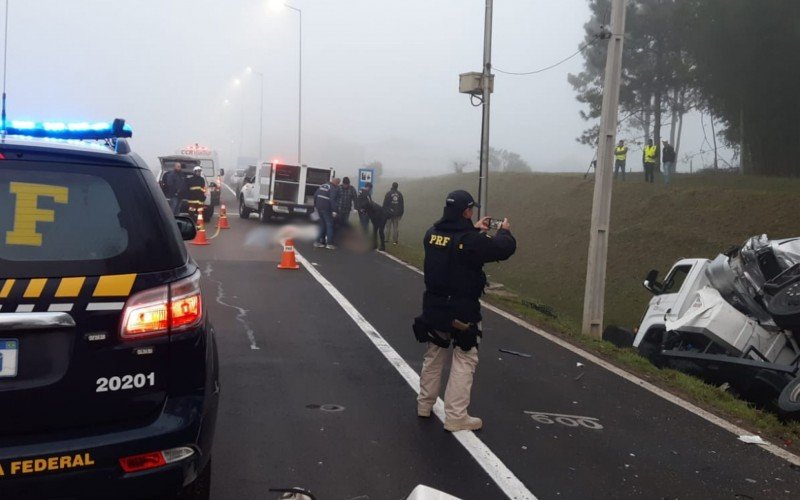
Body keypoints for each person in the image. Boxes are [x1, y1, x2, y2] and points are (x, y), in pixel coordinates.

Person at [414, 190, 516, 432]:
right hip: (462, 309)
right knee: (465, 357)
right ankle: (456, 416)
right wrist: (504, 231)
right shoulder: (470, 240)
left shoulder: (432, 234)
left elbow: (454, 246)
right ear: (466, 211)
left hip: (434, 305)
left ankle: (424, 404)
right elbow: (503, 249)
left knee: (435, 353)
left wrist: (474, 230)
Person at [313, 177, 340, 249]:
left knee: (322, 225)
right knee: (329, 224)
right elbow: (332, 200)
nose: (338, 185)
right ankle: (329, 243)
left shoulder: (322, 186)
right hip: (326, 208)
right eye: (338, 183)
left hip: (319, 207)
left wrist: (315, 205)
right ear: (336, 182)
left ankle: (317, 242)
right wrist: (334, 210)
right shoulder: (333, 188)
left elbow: (315, 195)